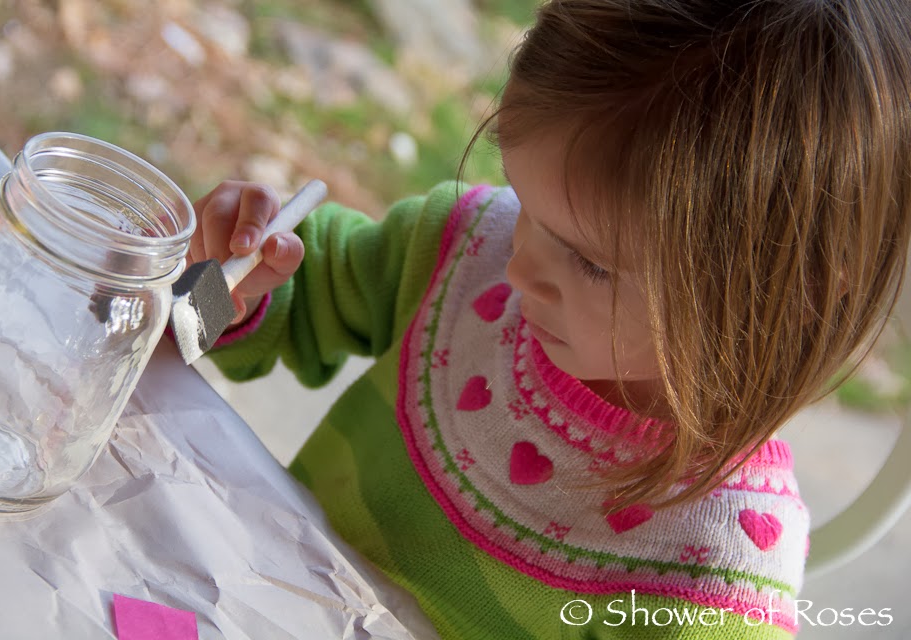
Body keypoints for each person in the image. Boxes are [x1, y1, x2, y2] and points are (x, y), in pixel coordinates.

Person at [186, 1, 911, 637]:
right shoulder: (463, 248)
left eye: (590, 262)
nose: (519, 266)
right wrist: (221, 282)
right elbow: (259, 313)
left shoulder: (715, 584)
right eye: (523, 200)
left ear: (782, 294)